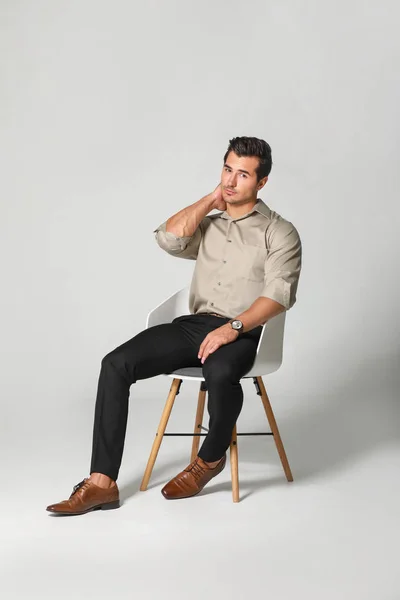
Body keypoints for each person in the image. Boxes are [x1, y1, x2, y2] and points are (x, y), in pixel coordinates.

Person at [46, 136, 302, 515]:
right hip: (194, 324)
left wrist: (231, 328)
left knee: (219, 370)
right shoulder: (211, 224)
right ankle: (102, 484)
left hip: (246, 332)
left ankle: (209, 459)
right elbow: (168, 238)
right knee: (115, 364)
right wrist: (210, 200)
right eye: (227, 170)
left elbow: (279, 296)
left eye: (243, 175)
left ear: (261, 182)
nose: (231, 181)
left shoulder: (279, 232)